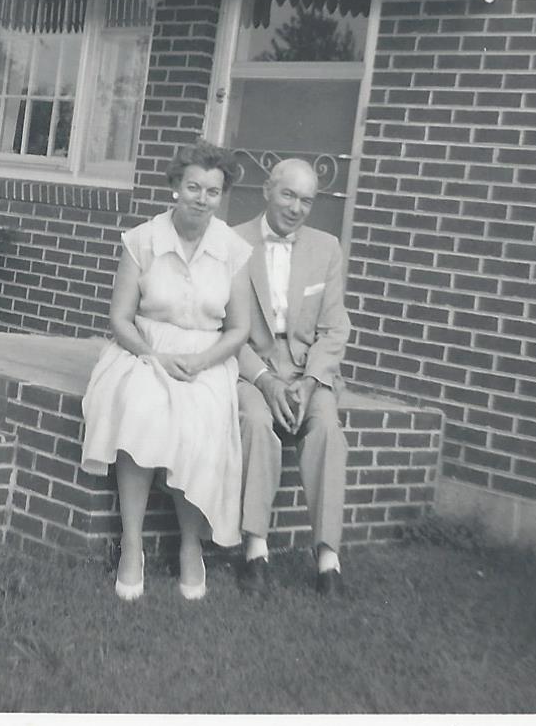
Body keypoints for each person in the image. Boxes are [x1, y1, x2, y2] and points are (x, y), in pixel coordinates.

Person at [80, 140, 253, 601]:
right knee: (140, 406)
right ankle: (132, 543)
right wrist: (153, 358)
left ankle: (190, 545)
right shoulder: (142, 240)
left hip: (206, 357)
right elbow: (119, 317)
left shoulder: (233, 250)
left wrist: (200, 361)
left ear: (221, 196)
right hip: (144, 349)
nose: (201, 198)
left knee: (201, 419)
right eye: (193, 187)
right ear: (176, 186)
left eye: (212, 192)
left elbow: (238, 330)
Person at [232, 158, 352, 597]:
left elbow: (335, 327)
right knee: (258, 424)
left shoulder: (326, 248)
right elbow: (224, 328)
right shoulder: (232, 243)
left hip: (307, 370)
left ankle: (327, 559)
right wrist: (264, 380)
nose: (297, 208)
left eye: (307, 200)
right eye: (288, 195)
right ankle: (255, 551)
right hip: (251, 366)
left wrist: (312, 380)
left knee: (327, 430)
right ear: (267, 190)